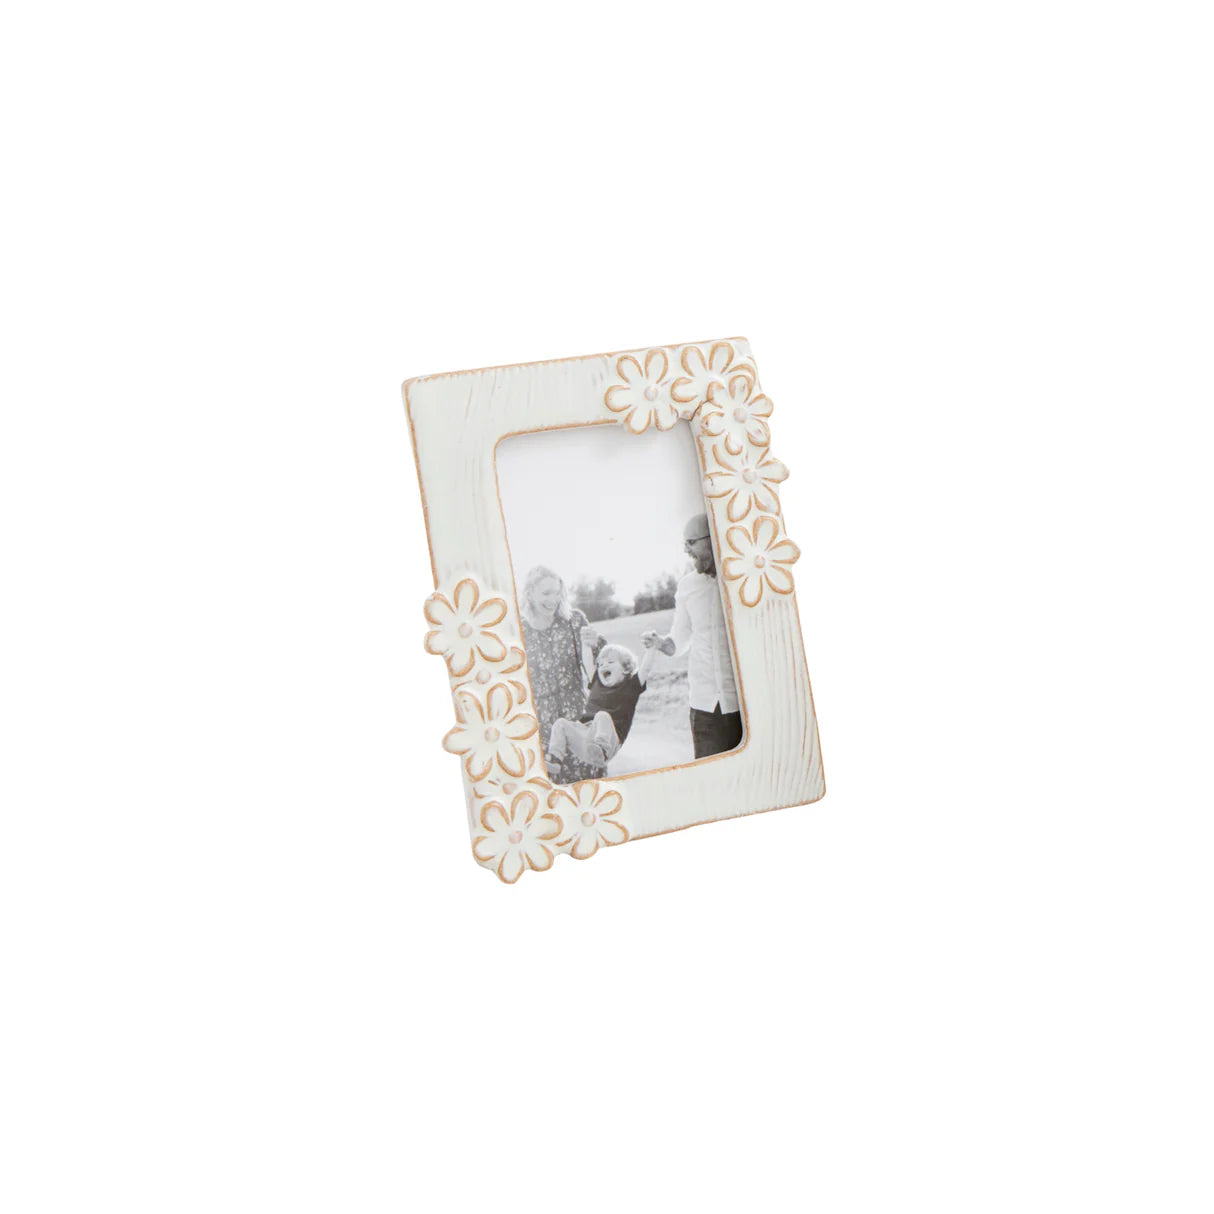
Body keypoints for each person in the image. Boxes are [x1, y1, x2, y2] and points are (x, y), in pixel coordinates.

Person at [641, 513, 743, 759]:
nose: (685, 550)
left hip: (744, 704)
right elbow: (679, 640)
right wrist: (661, 643)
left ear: (713, 538)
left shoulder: (742, 577)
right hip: (704, 708)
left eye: (691, 542)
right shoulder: (687, 586)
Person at [518, 565, 606, 783]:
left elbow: (604, 662)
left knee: (593, 785)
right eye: (546, 593)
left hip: (578, 719)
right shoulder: (519, 631)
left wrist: (595, 644)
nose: (553, 600)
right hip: (542, 727)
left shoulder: (574, 621)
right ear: (529, 594)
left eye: (557, 593)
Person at [546, 643, 655, 781]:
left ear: (626, 669)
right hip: (585, 736)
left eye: (610, 662)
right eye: (601, 664)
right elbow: (587, 662)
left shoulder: (631, 685)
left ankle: (600, 750)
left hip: (610, 741)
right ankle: (555, 759)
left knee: (602, 716)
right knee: (561, 723)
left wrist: (652, 647)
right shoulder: (597, 682)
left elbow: (645, 669)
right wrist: (586, 644)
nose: (604, 666)